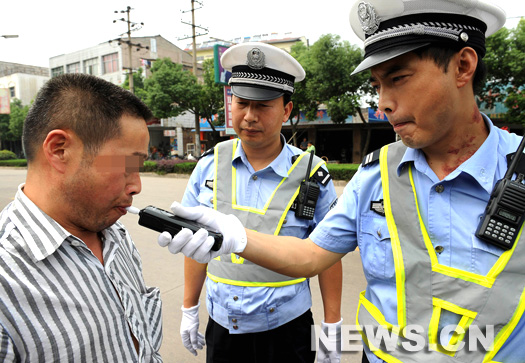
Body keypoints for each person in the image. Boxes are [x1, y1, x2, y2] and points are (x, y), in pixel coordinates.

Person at [157, 1, 525, 362]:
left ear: (463, 66)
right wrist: (235, 238)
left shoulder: (312, 171)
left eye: (398, 78)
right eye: (377, 85)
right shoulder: (375, 176)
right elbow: (313, 253)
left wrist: (331, 322)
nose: (384, 103)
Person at [165, 42, 343, 363]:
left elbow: (328, 254)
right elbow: (195, 243)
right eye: (242, 103)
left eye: (262, 106)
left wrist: (332, 325)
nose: (249, 116)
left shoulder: (313, 174)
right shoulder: (209, 165)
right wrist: (189, 308)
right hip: (223, 327)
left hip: (287, 330)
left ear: (287, 110)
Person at [0, 73, 163, 362]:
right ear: (59, 150)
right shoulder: (7, 282)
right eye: (128, 164)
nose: (137, 185)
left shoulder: (116, 235)